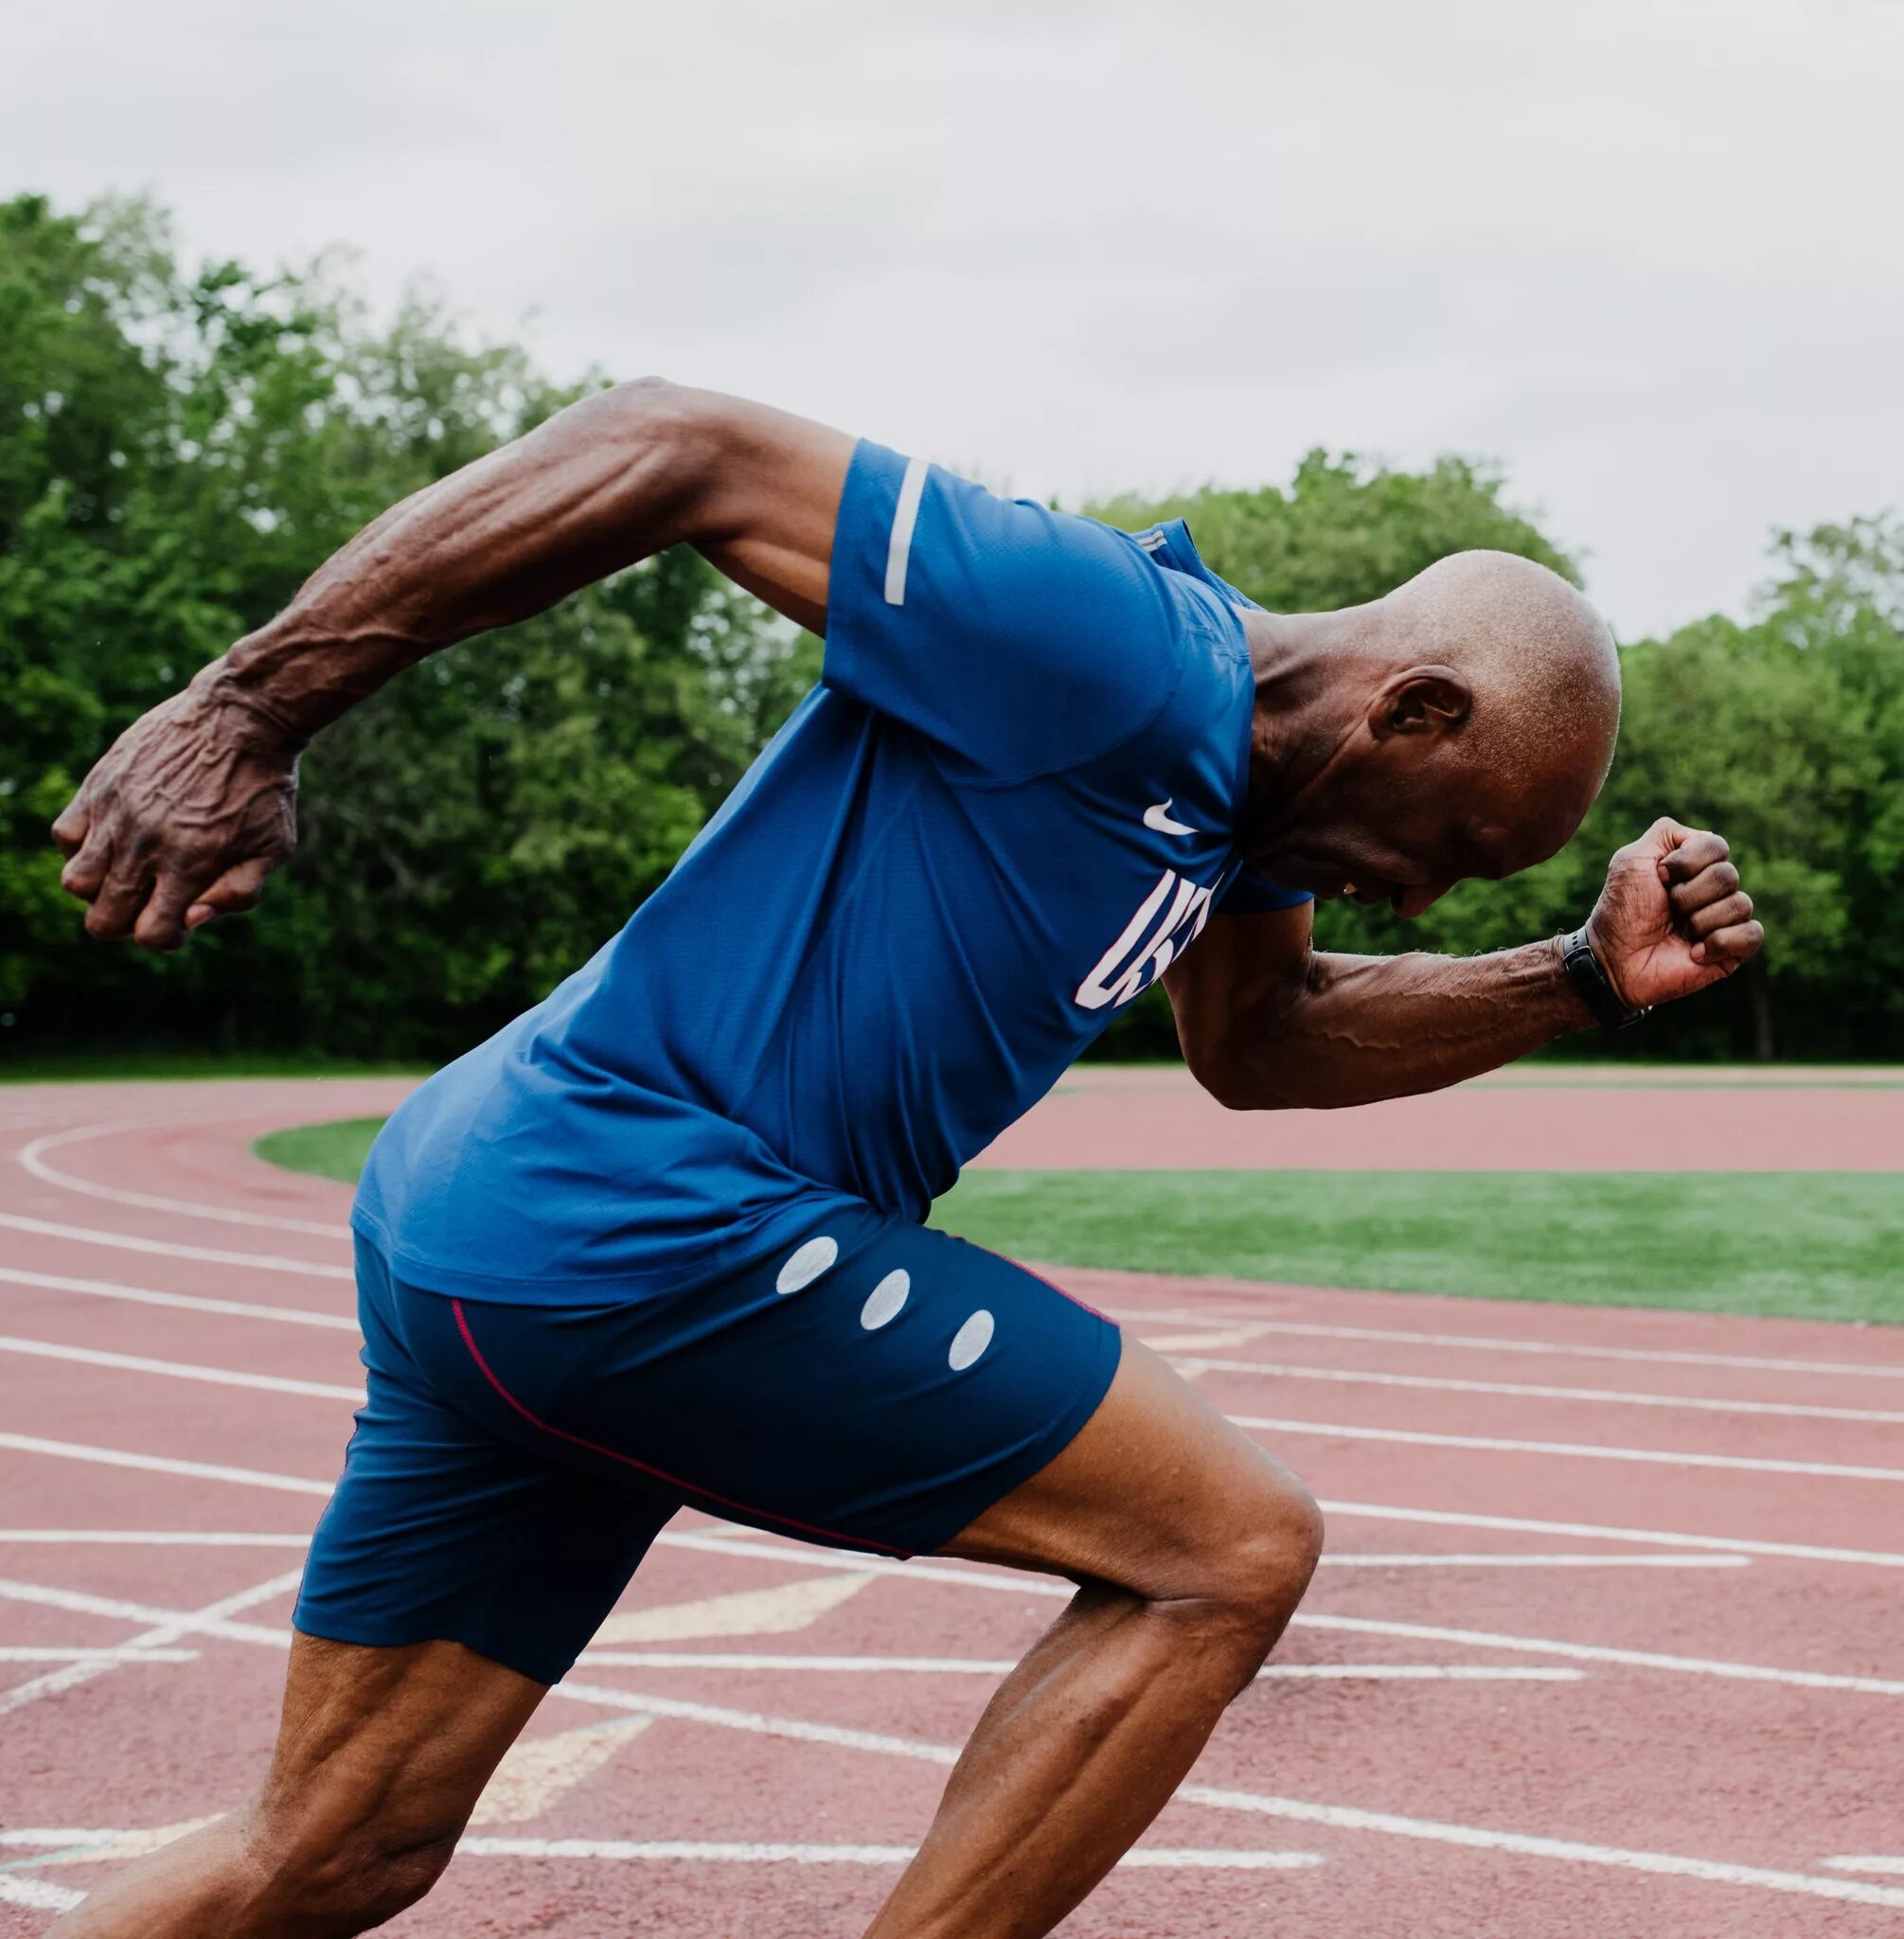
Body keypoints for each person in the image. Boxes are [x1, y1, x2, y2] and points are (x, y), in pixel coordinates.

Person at [48, 381, 1762, 1939]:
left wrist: (1580, 977)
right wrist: (244, 709)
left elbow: (1269, 1041)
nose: (1422, 896)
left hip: (517, 1236)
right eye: (1454, 847)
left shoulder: (1243, 812)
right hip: (643, 1210)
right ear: (1412, 708)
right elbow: (668, 445)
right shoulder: (1112, 647)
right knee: (1229, 1551)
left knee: (336, 1850)